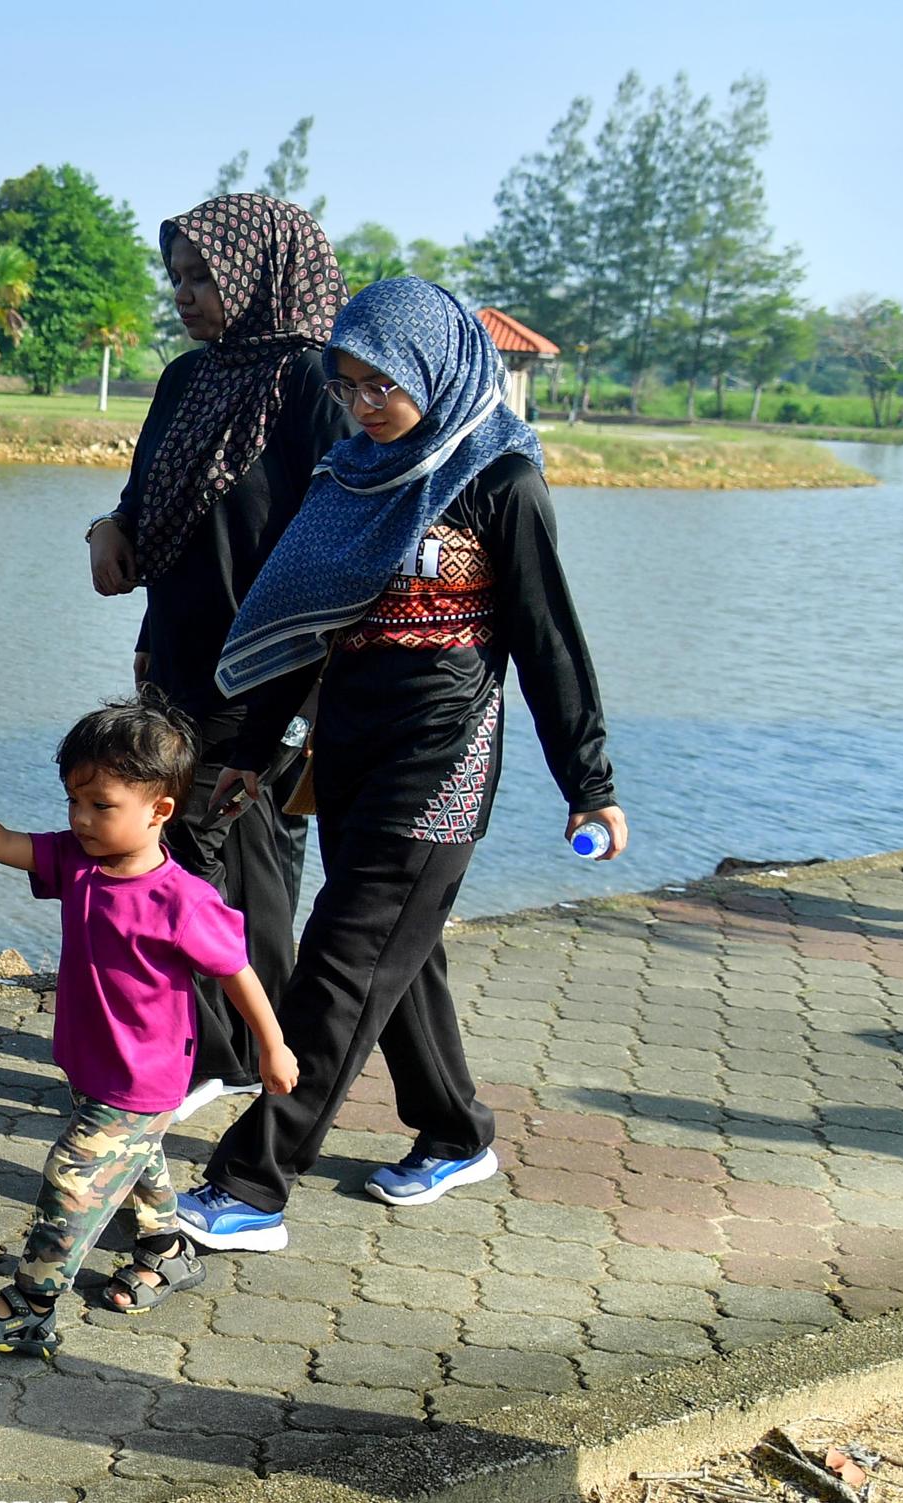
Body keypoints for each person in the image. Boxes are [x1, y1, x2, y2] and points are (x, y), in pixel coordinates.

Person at [176, 278, 626, 1256]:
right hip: (348, 744)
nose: (363, 405)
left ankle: (253, 1179)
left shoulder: (497, 478)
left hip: (442, 756)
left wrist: (587, 782)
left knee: (340, 961)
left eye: (382, 385)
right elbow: (299, 626)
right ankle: (456, 1130)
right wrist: (254, 750)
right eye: (347, 386)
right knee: (394, 949)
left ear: (436, 368)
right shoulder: (346, 477)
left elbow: (548, 641)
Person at [86, 195, 347, 1118]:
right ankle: (199, 1044)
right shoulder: (187, 380)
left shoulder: (317, 384)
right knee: (174, 856)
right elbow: (141, 497)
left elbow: (348, 534)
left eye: (206, 277)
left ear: (264, 272)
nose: (188, 297)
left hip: (270, 669)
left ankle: (251, 1057)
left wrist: (308, 698)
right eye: (179, 279)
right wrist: (110, 531)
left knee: (250, 859)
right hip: (176, 659)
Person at [0, 692, 297, 1349]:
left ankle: (31, 1304)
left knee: (75, 1176)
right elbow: (2, 843)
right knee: (137, 1160)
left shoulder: (181, 899)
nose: (81, 818)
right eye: (74, 800)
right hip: (90, 1063)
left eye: (101, 805)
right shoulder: (77, 862)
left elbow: (237, 970)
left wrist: (273, 1047)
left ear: (159, 810)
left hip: (144, 1076)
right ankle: (166, 1248)